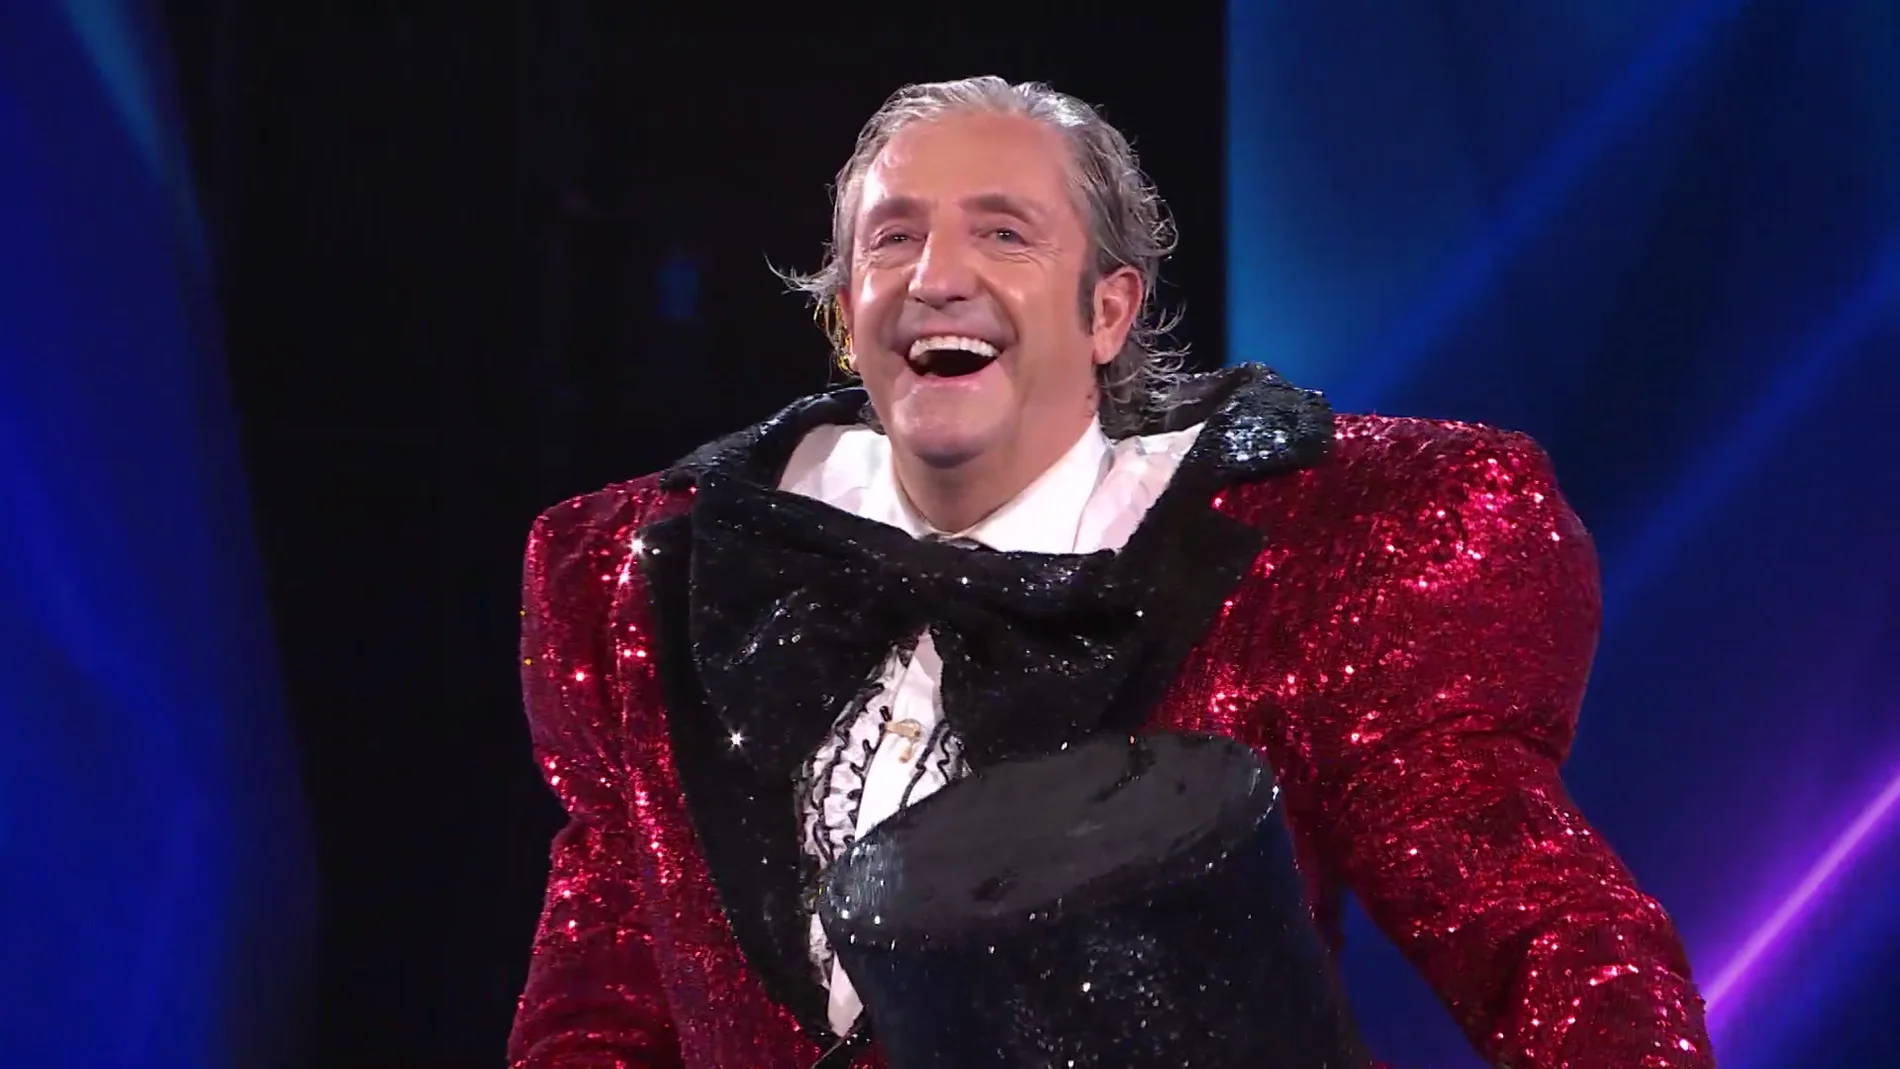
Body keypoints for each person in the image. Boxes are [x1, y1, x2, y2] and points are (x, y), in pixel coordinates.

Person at [509, 76, 1715, 1069]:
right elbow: (599, 1001)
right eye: (893, 238)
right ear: (845, 312)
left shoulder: (1306, 566)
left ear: (1108, 311)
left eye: (1002, 233)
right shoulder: (660, 584)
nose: (936, 275)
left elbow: (1541, 936)